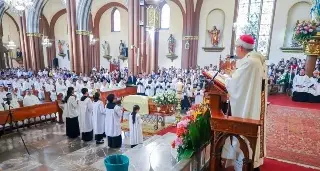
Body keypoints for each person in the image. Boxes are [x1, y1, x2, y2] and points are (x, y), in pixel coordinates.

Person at [222, 35, 266, 171]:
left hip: (248, 105)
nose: (236, 50)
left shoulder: (250, 62)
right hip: (251, 100)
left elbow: (235, 85)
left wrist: (225, 77)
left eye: (236, 47)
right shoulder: (255, 59)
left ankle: (246, 163)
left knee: (244, 136)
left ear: (241, 48)